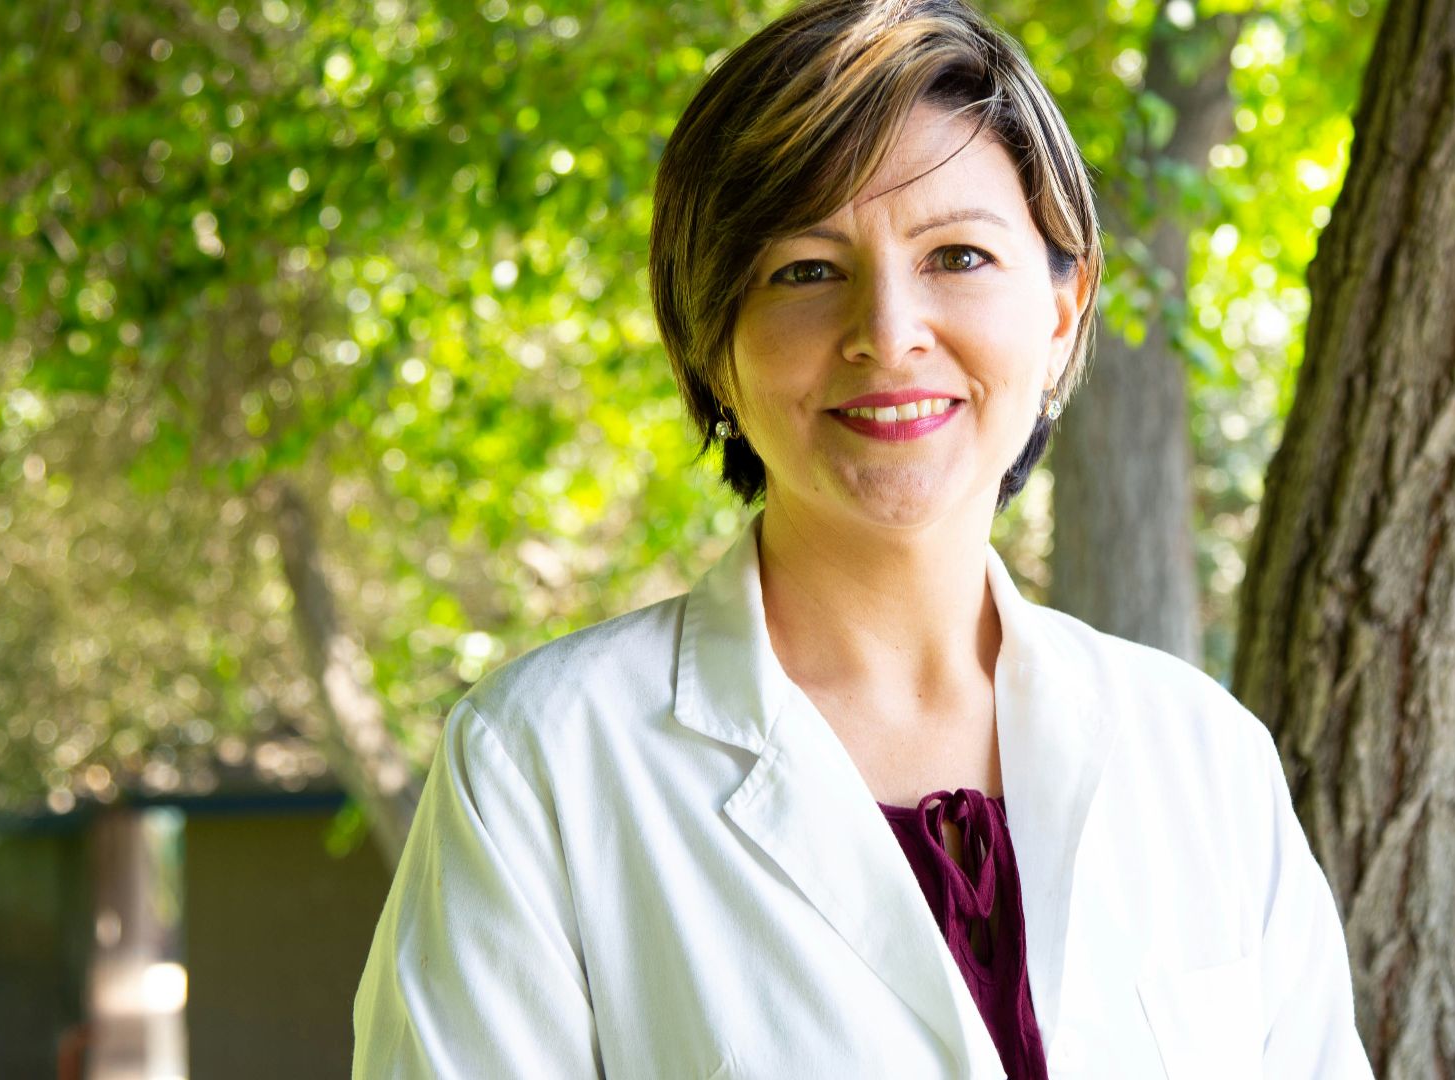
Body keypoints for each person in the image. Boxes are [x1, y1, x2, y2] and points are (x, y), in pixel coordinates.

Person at [352, 0, 1373, 1076]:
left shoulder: (1203, 759)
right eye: (805, 270)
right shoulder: (539, 768)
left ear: (1065, 311)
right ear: (713, 347)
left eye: (959, 256)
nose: (888, 334)